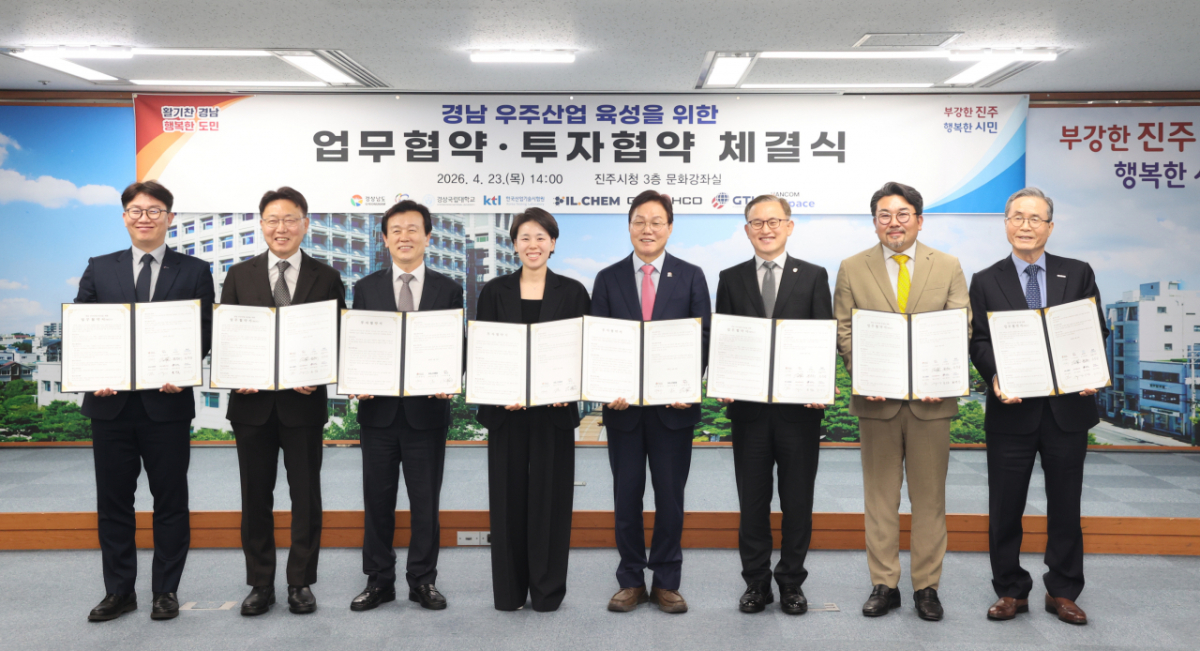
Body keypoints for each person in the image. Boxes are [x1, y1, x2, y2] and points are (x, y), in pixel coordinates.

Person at [75, 180, 214, 622]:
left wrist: (184, 368)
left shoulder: (195, 270)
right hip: (110, 405)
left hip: (166, 405)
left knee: (170, 501)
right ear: (124, 218)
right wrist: (93, 373)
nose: (145, 218)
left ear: (169, 218)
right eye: (136, 210)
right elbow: (84, 329)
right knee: (114, 503)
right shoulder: (100, 267)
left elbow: (205, 331)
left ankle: (165, 591)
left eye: (155, 211)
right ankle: (119, 591)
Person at [833, 181, 970, 621]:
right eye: (884, 215)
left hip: (932, 402)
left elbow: (960, 325)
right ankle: (884, 584)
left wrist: (942, 374)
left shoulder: (947, 265)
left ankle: (926, 587)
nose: (894, 223)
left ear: (919, 220)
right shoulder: (852, 267)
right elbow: (844, 329)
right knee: (880, 499)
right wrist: (862, 374)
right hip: (877, 402)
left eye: (903, 214)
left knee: (929, 500)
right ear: (875, 222)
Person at [968, 187, 1106, 625]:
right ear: (1006, 223)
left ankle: (1063, 590)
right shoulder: (985, 279)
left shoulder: (1077, 272)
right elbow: (979, 341)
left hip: (1067, 410)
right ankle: (1010, 590)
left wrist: (1090, 368)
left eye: (1035, 218)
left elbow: (1094, 329)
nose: (1025, 226)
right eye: (1017, 217)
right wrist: (996, 376)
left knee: (1066, 505)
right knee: (1005, 507)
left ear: (1050, 226)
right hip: (1011, 410)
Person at [221, 187, 346, 616]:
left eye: (290, 219)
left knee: (305, 497)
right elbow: (228, 336)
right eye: (272, 220)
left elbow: (337, 337)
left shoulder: (326, 276)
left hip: (302, 405)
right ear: (261, 225)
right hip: (251, 406)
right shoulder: (240, 274)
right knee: (255, 497)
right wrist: (235, 374)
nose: (281, 228)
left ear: (305, 224)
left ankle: (300, 582)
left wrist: (320, 373)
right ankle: (260, 583)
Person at [591, 190, 711, 614]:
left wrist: (687, 385)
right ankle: (630, 579)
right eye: (639, 221)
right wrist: (607, 387)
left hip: (673, 411)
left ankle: (665, 581)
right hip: (623, 411)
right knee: (626, 498)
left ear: (670, 227)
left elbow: (703, 336)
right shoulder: (608, 278)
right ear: (629, 227)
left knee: (670, 499)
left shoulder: (691, 275)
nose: (648, 229)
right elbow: (599, 340)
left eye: (656, 221)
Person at [713, 195, 832, 615]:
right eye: (757, 222)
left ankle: (791, 583)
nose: (766, 229)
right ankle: (756, 583)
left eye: (774, 221)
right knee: (752, 503)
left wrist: (822, 383)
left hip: (799, 412)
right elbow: (723, 338)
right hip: (748, 412)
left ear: (789, 226)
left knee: (797, 502)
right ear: (747, 229)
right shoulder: (730, 278)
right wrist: (721, 378)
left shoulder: (814, 276)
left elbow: (823, 334)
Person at [348, 200, 464, 613]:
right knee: (377, 503)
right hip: (378, 414)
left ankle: (422, 581)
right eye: (396, 230)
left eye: (413, 229)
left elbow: (455, 345)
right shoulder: (366, 288)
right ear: (384, 239)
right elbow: (357, 344)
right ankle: (379, 581)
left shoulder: (448, 289)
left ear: (428, 237)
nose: (404, 237)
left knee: (425, 505)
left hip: (426, 414)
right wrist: (355, 378)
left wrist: (450, 377)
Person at [475, 208, 590, 612]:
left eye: (541, 237)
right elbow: (483, 351)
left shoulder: (573, 292)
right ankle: (508, 592)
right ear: (514, 245)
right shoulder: (494, 291)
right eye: (524, 237)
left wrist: (570, 388)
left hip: (553, 414)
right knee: (507, 504)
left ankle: (546, 593)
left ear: (553, 243)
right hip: (505, 413)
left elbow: (585, 351)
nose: (533, 245)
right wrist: (497, 391)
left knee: (550, 504)